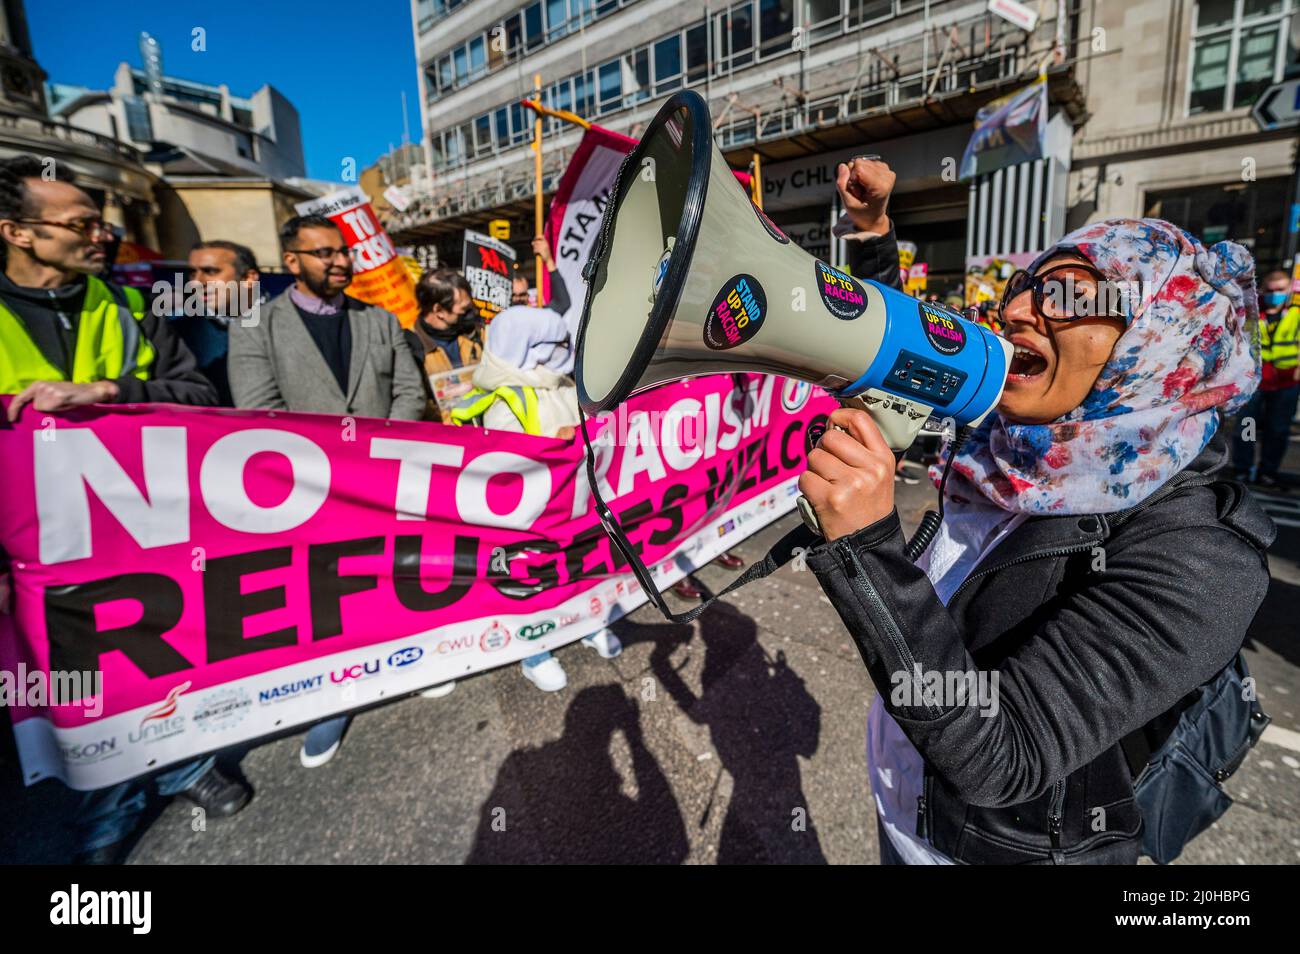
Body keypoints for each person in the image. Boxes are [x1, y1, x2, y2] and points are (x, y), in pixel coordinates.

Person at [799, 201, 1272, 863]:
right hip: (909, 804)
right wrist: (876, 233)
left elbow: (1003, 758)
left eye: (1063, 294)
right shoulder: (1015, 439)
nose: (1017, 309)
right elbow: (911, 342)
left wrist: (868, 553)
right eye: (1025, 286)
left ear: (1159, 327)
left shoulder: (1203, 557)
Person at [0, 154, 245, 864]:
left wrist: (110, 392)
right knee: (73, 693)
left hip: (142, 536)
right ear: (16, 231)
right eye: (79, 222)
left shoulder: (129, 304)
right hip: (35, 556)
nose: (99, 234)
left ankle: (182, 766)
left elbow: (199, 398)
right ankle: (104, 817)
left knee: (158, 658)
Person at [229, 214, 426, 768]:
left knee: (391, 578)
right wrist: (328, 470)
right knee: (327, 600)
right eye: (324, 254)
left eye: (343, 252)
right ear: (291, 262)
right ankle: (331, 700)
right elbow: (258, 410)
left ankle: (411, 664)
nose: (340, 262)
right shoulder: (253, 326)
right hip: (305, 493)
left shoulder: (382, 321)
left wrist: (379, 454)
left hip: (384, 482)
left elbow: (410, 392)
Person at [447, 306, 622, 691]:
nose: (565, 350)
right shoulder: (504, 398)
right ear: (530, 349)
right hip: (529, 518)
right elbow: (505, 463)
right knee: (531, 581)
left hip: (573, 503)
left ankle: (586, 624)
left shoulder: (558, 381)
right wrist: (551, 444)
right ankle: (534, 651)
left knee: (578, 568)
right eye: (556, 343)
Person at [172, 239, 262, 405]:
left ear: (249, 278)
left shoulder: (285, 322)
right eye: (192, 273)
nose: (197, 282)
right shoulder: (176, 331)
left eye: (211, 271)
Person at [1232, 268, 1298, 490]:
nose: (1274, 294)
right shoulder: (1251, 311)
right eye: (1270, 290)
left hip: (1286, 383)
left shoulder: (1296, 313)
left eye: (1280, 290)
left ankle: (1268, 472)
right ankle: (1244, 468)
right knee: (1248, 426)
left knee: (1277, 430)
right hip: (1254, 382)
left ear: (1288, 290)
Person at [406, 267, 482, 420]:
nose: (471, 313)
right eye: (464, 309)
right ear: (439, 310)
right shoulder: (410, 347)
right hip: (444, 436)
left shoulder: (476, 334)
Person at [511, 236, 571, 312]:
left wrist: (548, 260)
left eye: (522, 295)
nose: (518, 299)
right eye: (514, 295)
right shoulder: (502, 316)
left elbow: (563, 304)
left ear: (527, 295)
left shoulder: (537, 315)